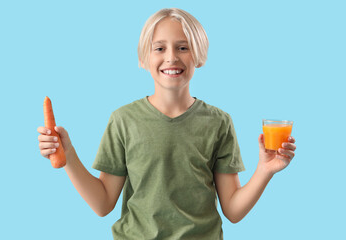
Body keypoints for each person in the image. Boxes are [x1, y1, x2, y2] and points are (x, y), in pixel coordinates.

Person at [37, 8, 296, 239]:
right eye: (159, 48)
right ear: (144, 57)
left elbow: (233, 210)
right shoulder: (123, 120)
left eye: (183, 47)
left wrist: (264, 170)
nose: (171, 57)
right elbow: (103, 203)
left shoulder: (219, 123)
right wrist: (68, 154)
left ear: (198, 54)